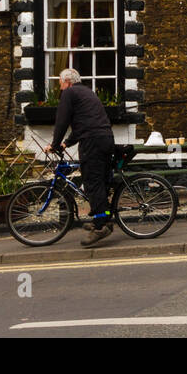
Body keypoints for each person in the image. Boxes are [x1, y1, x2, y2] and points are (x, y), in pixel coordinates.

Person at [46, 69, 116, 246]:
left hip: (92, 142)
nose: (60, 88)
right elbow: (84, 124)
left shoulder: (69, 93)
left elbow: (61, 121)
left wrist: (54, 144)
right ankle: (103, 217)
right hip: (105, 138)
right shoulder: (86, 92)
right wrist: (66, 144)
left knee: (93, 182)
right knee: (99, 182)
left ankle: (101, 227)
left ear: (67, 82)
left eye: (60, 83)